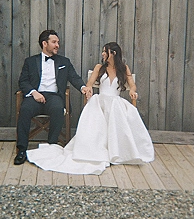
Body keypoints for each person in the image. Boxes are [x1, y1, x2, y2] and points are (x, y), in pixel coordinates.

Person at [26, 42, 155, 175]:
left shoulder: (124, 68)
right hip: (100, 100)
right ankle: (95, 149)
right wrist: (87, 89)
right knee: (96, 116)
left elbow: (132, 85)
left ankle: (117, 150)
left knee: (120, 113)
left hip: (115, 102)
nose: (103, 54)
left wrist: (132, 91)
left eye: (105, 51)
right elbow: (90, 83)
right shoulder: (99, 67)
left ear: (113, 53)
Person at [14, 30, 92, 165]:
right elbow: (23, 81)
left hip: (54, 96)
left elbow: (74, 77)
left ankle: (51, 146)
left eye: (58, 42)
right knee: (25, 109)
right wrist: (34, 92)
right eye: (54, 42)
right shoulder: (30, 61)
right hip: (35, 95)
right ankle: (21, 149)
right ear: (45, 43)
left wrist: (83, 88)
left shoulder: (64, 62)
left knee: (57, 109)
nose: (57, 45)